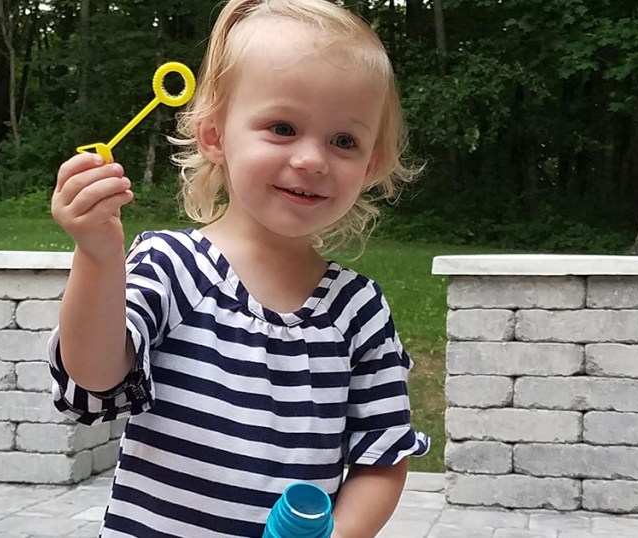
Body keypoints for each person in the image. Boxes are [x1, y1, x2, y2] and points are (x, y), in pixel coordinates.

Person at [46, 0, 430, 536]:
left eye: (344, 140)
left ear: (369, 165)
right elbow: (95, 377)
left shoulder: (358, 312)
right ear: (214, 135)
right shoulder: (170, 267)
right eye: (282, 127)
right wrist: (97, 257)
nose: (313, 159)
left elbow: (382, 459)